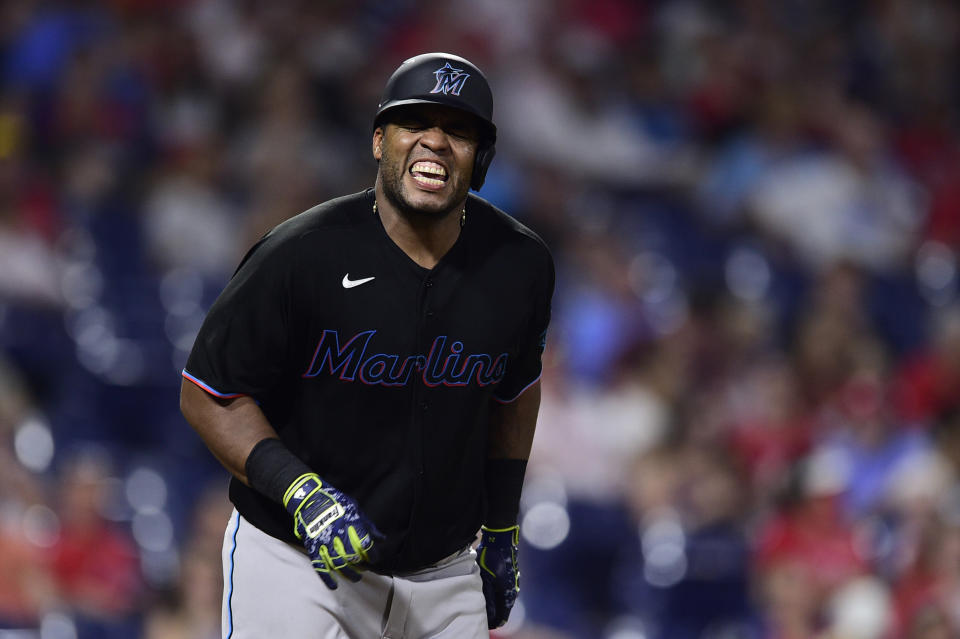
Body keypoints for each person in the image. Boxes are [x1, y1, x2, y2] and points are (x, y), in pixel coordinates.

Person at [179, 52, 554, 639]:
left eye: (458, 131)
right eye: (415, 125)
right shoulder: (301, 253)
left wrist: (502, 525)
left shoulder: (520, 265)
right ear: (380, 141)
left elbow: (514, 393)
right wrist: (299, 492)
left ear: (481, 159)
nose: (434, 142)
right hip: (297, 562)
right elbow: (210, 392)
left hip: (444, 573)